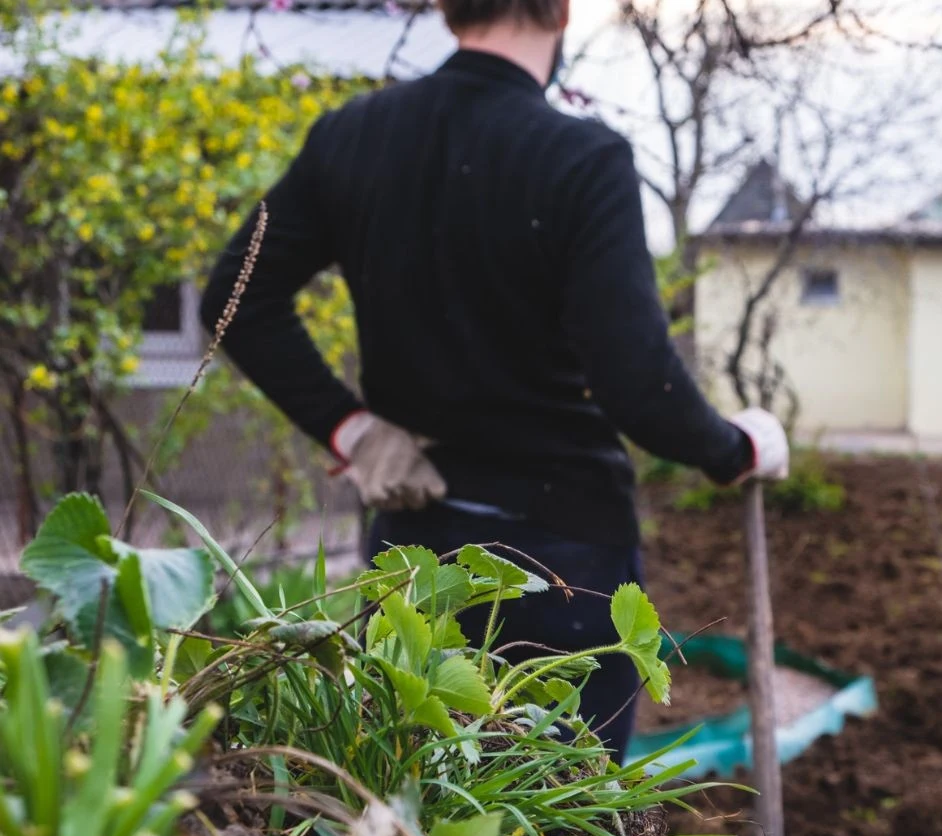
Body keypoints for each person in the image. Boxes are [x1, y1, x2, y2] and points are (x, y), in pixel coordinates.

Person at [200, 0, 789, 762]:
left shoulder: (353, 135)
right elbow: (639, 386)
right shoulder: (582, 159)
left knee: (412, 818)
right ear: (564, 10)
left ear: (447, 7)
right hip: (565, 565)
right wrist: (735, 448)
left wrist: (354, 430)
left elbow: (233, 297)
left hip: (414, 556)